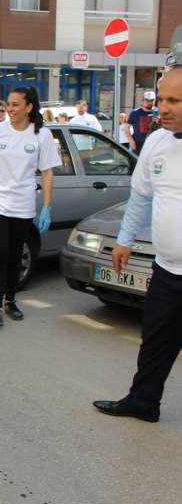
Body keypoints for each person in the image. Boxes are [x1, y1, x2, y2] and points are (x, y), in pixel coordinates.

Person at [93, 67, 182, 423]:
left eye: (174, 100)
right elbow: (140, 198)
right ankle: (143, 403)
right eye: (161, 99)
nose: (163, 108)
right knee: (155, 343)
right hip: (166, 270)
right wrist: (124, 240)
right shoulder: (157, 143)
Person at [0, 86, 60, 329]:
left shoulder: (41, 135)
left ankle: (11, 299)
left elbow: (48, 173)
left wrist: (47, 207)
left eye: (15, 105)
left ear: (29, 107)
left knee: (14, 255)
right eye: (7, 104)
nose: (9, 109)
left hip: (22, 203)